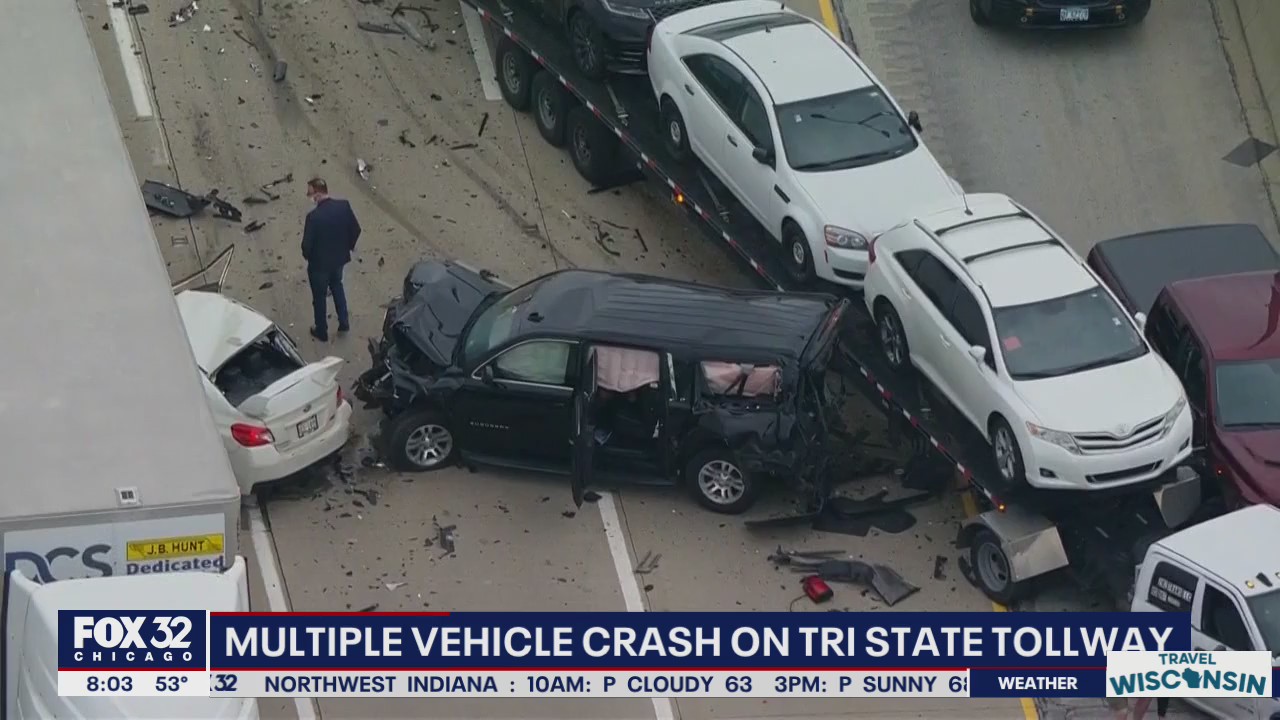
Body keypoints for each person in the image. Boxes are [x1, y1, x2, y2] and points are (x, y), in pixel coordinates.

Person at [300, 177, 361, 341]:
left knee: (319, 298)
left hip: (319, 266)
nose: (309, 196)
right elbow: (356, 229)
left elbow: (306, 245)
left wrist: (310, 258)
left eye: (310, 193)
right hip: (338, 261)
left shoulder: (313, 217)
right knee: (337, 286)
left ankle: (321, 331)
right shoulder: (343, 207)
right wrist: (347, 246)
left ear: (318, 194)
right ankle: (344, 322)